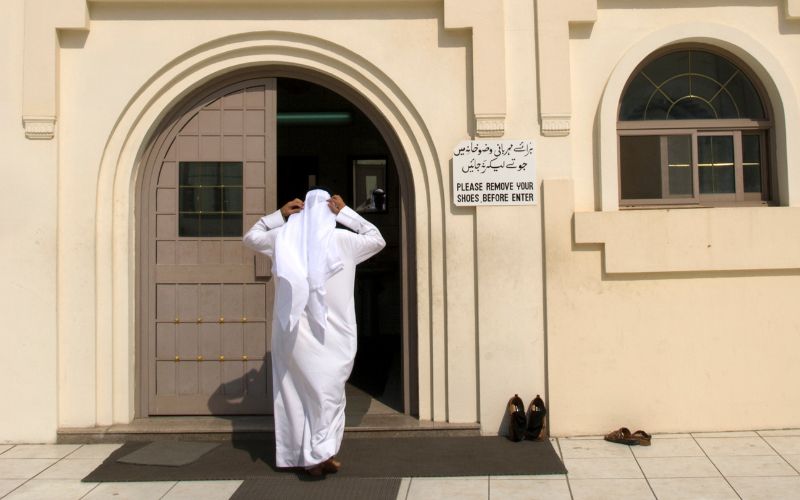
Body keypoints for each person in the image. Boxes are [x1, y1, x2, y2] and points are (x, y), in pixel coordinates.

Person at [242, 189, 385, 475]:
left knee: (301, 395)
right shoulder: (342, 239)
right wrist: (345, 213)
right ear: (328, 211)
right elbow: (376, 238)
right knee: (329, 395)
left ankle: (317, 453)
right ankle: (318, 454)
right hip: (330, 334)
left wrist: (280, 215)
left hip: (295, 335)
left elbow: (251, 236)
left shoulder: (282, 238)